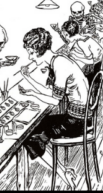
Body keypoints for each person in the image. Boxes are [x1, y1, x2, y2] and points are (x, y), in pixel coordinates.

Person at [18, 27, 90, 160]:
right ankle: (53, 163)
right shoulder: (58, 59)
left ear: (40, 50)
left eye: (31, 53)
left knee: (29, 132)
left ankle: (61, 172)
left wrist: (32, 94)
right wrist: (29, 83)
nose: (30, 58)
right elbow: (52, 93)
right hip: (79, 116)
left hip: (77, 122)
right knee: (35, 127)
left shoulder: (60, 65)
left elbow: (54, 100)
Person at [58, 20, 103, 85]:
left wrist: (77, 57)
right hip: (100, 62)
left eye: (63, 35)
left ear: (66, 34)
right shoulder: (83, 37)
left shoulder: (80, 42)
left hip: (98, 66)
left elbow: (91, 60)